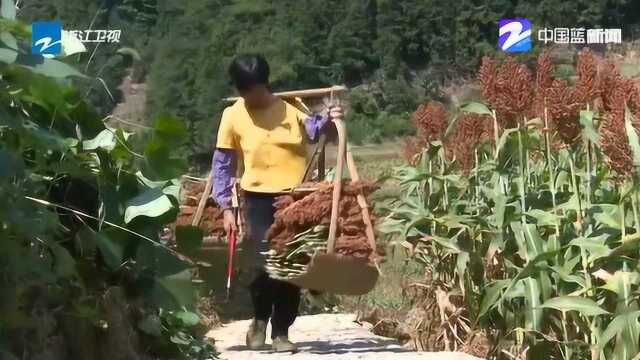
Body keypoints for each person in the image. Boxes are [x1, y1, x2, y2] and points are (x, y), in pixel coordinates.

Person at [211, 54, 342, 352]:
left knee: (290, 266)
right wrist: (226, 209)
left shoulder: (292, 109)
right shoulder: (233, 114)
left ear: (265, 85)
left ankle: (281, 331)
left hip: (294, 199)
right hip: (256, 198)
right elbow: (222, 165)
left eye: (254, 91)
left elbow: (319, 131)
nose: (250, 98)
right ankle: (259, 319)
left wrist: (331, 119)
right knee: (262, 265)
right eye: (244, 93)